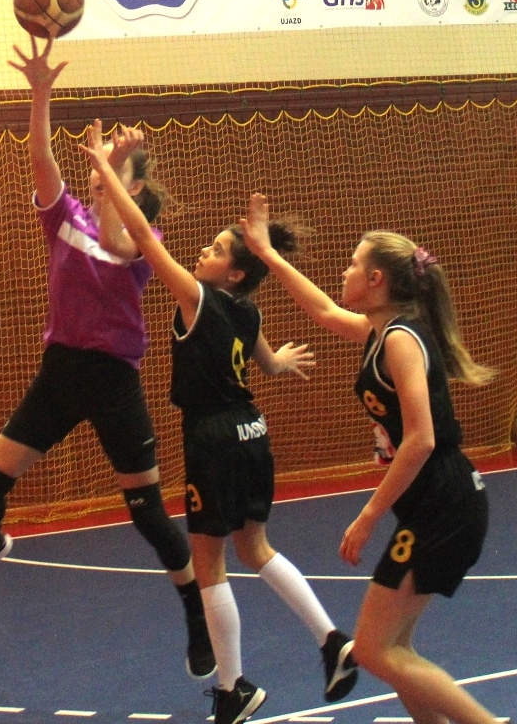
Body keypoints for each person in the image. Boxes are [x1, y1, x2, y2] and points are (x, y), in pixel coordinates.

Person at [0, 38, 215, 682]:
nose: (98, 174)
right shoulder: (63, 218)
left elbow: (118, 239)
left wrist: (112, 169)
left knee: (149, 516)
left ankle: (196, 614)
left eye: (113, 171)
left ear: (133, 185)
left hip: (114, 380)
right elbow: (41, 159)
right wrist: (40, 95)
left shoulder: (144, 239)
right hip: (61, 371)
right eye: (97, 169)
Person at [84, 133, 358, 724]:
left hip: (212, 437)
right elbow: (264, 362)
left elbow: (144, 242)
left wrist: (106, 173)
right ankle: (332, 639)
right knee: (257, 547)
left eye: (214, 250)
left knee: (209, 566)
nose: (202, 253)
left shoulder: (197, 298)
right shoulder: (247, 310)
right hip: (253, 432)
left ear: (232, 273)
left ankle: (233, 689)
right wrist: (280, 362)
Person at [239, 196, 500, 724]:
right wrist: (267, 253)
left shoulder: (401, 341)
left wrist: (367, 515)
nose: (345, 271)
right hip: (436, 503)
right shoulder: (381, 332)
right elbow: (322, 310)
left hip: (445, 501)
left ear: (377, 279)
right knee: (393, 650)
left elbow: (421, 440)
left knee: (375, 651)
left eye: (353, 264)